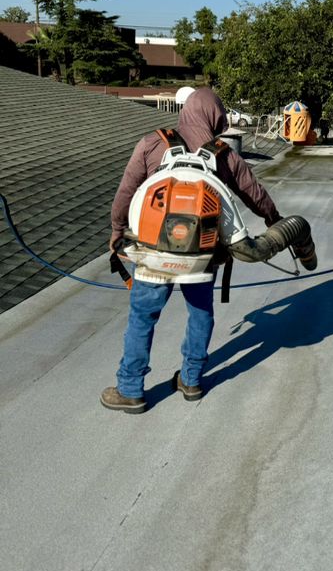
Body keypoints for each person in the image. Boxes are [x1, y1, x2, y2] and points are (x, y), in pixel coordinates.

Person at [101, 87, 281, 414]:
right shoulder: (224, 153)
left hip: (154, 253)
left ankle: (130, 389)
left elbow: (126, 191)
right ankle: (191, 379)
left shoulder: (153, 142)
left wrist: (116, 231)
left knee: (143, 317)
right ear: (215, 117)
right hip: (201, 256)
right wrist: (275, 220)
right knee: (200, 312)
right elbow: (254, 193)